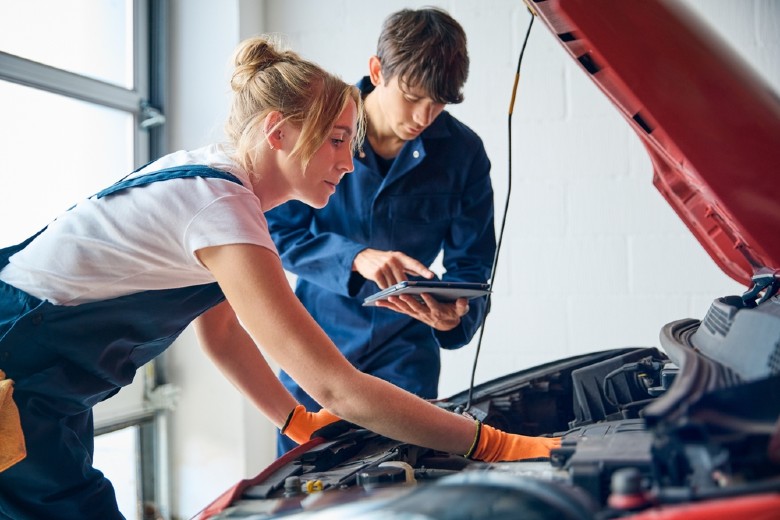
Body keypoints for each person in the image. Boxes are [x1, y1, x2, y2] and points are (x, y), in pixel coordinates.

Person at [0, 36, 558, 520]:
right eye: (338, 139)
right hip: (15, 378)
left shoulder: (220, 187)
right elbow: (336, 386)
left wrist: (294, 419)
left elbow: (220, 333)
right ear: (277, 132)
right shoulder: (220, 205)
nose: (348, 160)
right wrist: (498, 446)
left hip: (52, 392)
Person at [266, 8, 497, 455]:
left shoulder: (464, 154)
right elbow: (278, 232)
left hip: (406, 353)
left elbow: (472, 265)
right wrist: (355, 257)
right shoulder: (315, 130)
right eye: (412, 97)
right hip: (315, 346)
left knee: (405, 480)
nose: (424, 116)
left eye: (439, 103)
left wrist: (457, 316)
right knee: (306, 488)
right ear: (377, 71)